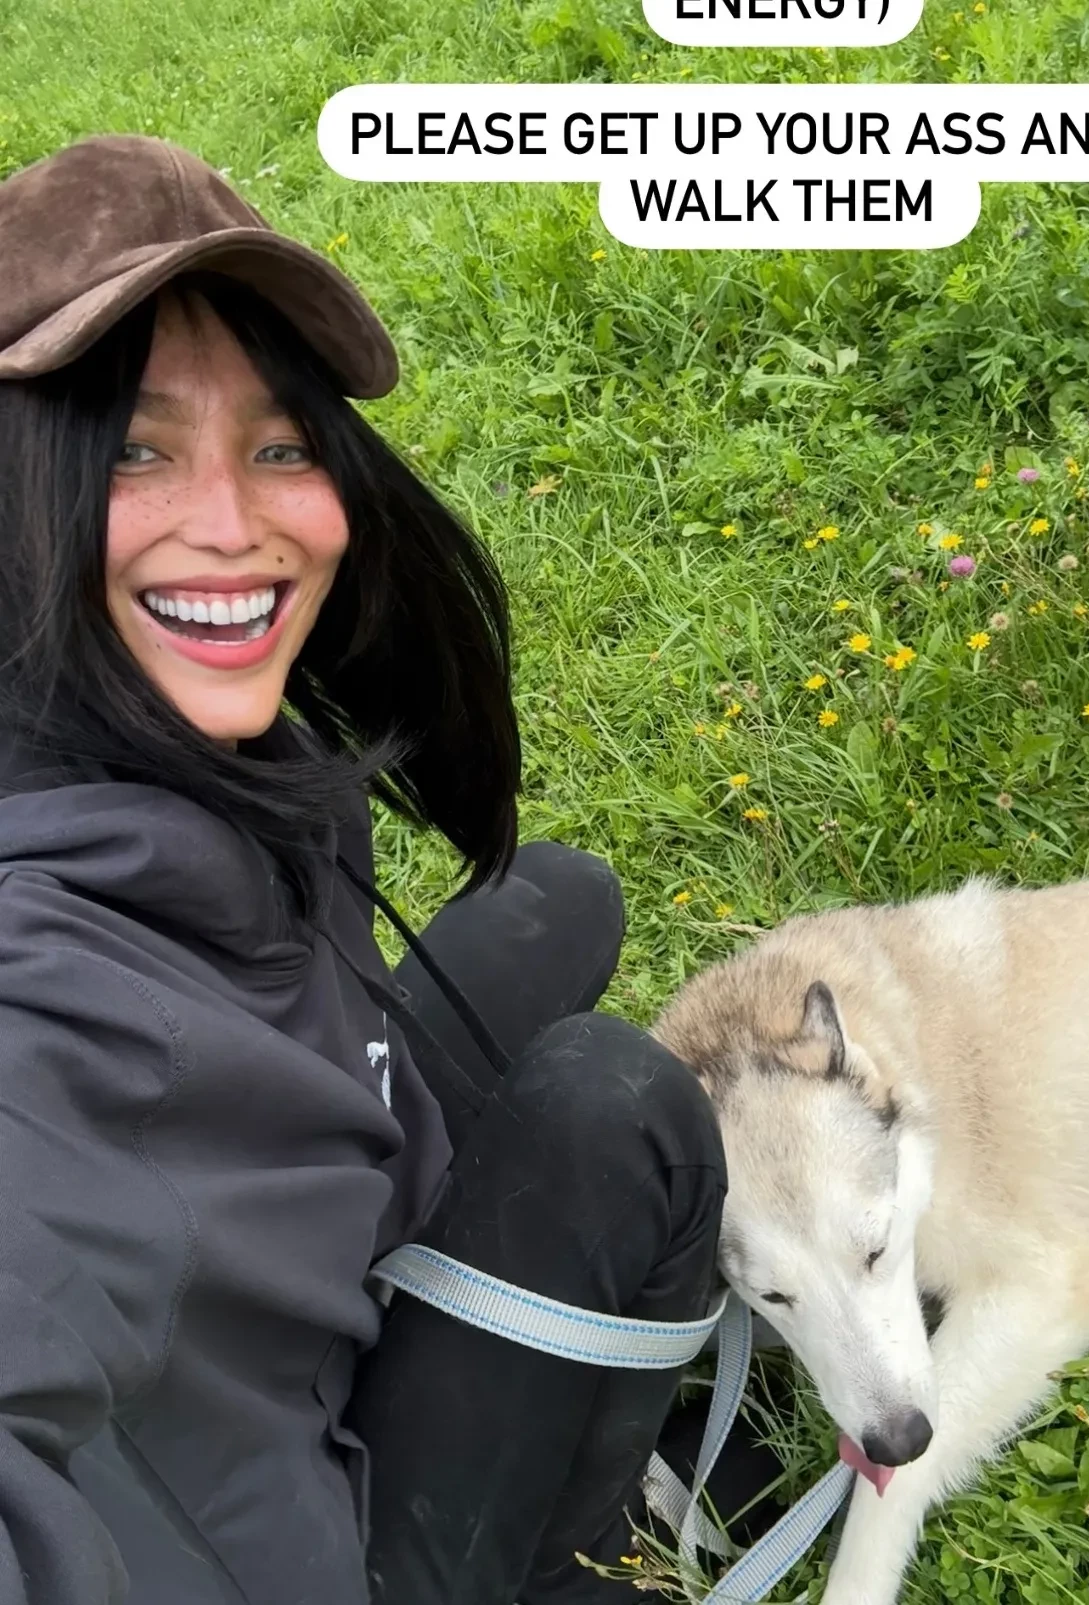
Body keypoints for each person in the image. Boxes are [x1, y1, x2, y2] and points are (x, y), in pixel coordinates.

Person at [0, 132, 730, 1605]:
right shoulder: (54, 1004)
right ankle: (554, 1551)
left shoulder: (193, 736)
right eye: (132, 448)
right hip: (331, 1534)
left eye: (281, 445)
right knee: (615, 1105)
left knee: (560, 898)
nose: (235, 527)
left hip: (311, 1216)